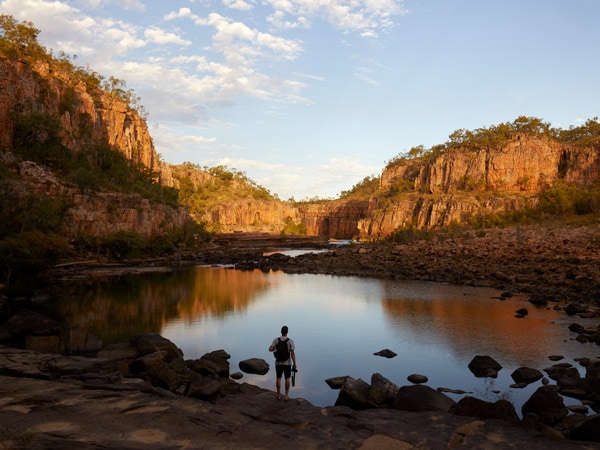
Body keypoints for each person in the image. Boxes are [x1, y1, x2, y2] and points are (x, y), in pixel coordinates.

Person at [268, 325, 297, 401]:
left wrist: (274, 349)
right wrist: (295, 364)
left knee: (278, 378)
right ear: (287, 332)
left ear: (281, 332)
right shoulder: (290, 341)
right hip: (287, 363)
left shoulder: (276, 340)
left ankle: (278, 395)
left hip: (278, 363)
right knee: (287, 378)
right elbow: (292, 354)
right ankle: (286, 396)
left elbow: (270, 349)